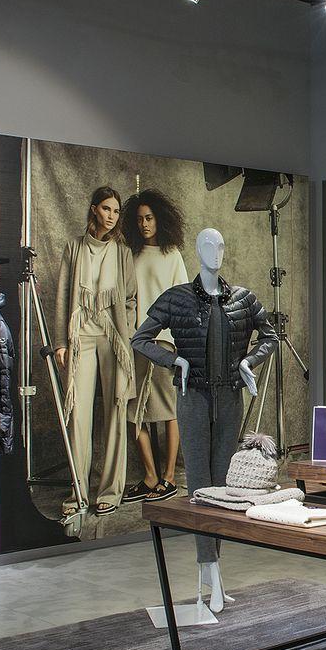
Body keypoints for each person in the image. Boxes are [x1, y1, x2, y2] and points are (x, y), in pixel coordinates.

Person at [53, 186, 140, 515]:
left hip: (114, 340)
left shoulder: (123, 252)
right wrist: (61, 342)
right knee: (78, 416)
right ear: (94, 209)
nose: (111, 216)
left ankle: (110, 492)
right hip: (81, 337)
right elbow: (63, 295)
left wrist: (126, 335)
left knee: (116, 412)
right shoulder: (74, 247)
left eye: (116, 211)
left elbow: (130, 299)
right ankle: (77, 494)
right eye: (106, 208)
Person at [125, 189, 189, 503]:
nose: (144, 224)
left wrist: (180, 343)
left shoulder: (172, 254)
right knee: (133, 409)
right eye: (139, 219)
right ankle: (150, 476)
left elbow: (184, 301)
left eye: (149, 218)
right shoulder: (130, 254)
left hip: (164, 341)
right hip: (134, 341)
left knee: (168, 410)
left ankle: (169, 476)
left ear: (159, 219)